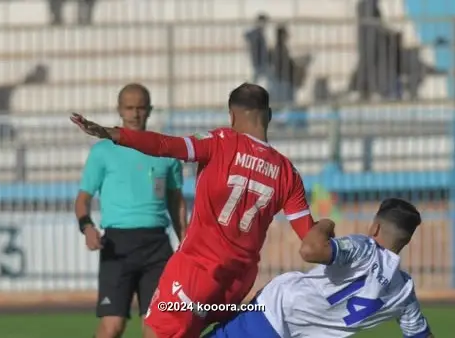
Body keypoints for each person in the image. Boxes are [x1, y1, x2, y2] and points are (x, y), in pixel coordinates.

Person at [71, 83, 334, 338]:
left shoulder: (219, 141)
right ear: (270, 116)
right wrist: (328, 227)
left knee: (154, 332)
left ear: (231, 115)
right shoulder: (288, 173)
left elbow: (165, 145)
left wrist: (114, 134)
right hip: (238, 282)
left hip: (198, 269)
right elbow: (311, 241)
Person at [204, 198, 434, 338]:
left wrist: (326, 224)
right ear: (406, 241)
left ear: (375, 227)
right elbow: (420, 335)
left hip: (272, 314)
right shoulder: (404, 291)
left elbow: (310, 250)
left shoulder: (364, 247)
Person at [74, 83, 187, 338]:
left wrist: (186, 241)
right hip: (118, 245)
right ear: (119, 110)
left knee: (157, 328)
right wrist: (87, 226)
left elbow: (176, 201)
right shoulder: (103, 151)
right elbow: (82, 199)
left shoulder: (165, 150)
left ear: (150, 110)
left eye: (141, 108)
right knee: (112, 326)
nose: (135, 114)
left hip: (157, 246)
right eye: (129, 108)